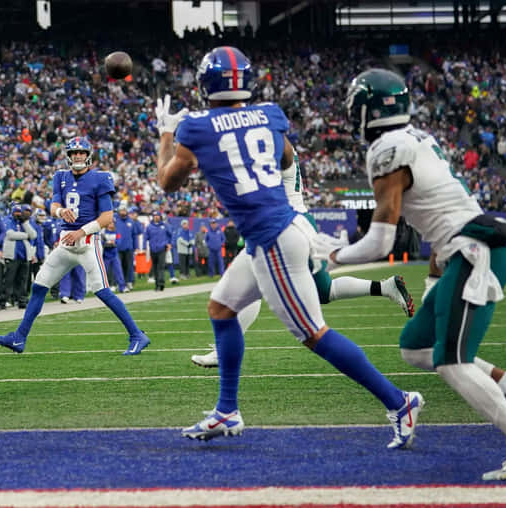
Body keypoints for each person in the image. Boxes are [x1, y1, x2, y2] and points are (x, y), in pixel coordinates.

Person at [156, 48, 420, 447]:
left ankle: (399, 402)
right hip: (280, 227)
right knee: (222, 308)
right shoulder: (269, 115)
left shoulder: (195, 127)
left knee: (314, 334)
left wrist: (165, 133)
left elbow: (166, 182)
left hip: (272, 239)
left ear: (204, 84)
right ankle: (226, 410)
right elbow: (284, 160)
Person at [330, 68, 506, 480]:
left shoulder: (387, 149)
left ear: (366, 111)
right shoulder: (417, 139)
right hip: (465, 251)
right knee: (415, 348)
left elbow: (380, 242)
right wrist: (435, 277)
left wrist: (332, 256)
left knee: (452, 363)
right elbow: (438, 216)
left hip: (472, 253)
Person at [190, 147, 416, 368]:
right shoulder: (271, 147)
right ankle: (385, 287)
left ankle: (224, 351)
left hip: (284, 227)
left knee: (253, 291)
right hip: (293, 224)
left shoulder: (273, 149)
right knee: (324, 292)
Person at [0, 137, 151, 355]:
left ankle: (137, 335)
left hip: (87, 243)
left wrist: (81, 231)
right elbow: (54, 205)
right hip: (66, 243)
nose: (77, 156)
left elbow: (107, 217)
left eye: (81, 152)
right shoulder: (61, 176)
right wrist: (60, 211)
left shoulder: (100, 178)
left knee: (102, 290)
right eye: (74, 152)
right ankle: (19, 338)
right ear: (68, 156)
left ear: (88, 155)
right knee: (39, 286)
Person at [1, 204, 37, 309]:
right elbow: (10, 235)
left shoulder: (24, 223)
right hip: (12, 255)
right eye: (16, 212)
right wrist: (25, 236)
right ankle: (4, 300)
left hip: (24, 255)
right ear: (12, 212)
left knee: (23, 280)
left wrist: (25, 223)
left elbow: (33, 235)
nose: (18, 214)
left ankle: (22, 300)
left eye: (20, 212)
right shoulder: (8, 221)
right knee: (8, 279)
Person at [145, 211, 169, 291]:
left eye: (157, 215)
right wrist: (144, 247)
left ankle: (161, 283)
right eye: (155, 216)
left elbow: (170, 235)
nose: (156, 217)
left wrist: (169, 243)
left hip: (162, 248)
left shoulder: (164, 226)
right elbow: (145, 237)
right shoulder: (149, 227)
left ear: (160, 217)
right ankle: (157, 284)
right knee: (155, 267)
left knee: (161, 266)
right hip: (153, 249)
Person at [114, 205, 136, 292]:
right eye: (121, 210)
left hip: (129, 248)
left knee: (128, 266)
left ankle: (128, 282)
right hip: (118, 248)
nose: (123, 212)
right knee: (118, 267)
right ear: (119, 211)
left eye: (124, 210)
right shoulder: (115, 221)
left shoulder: (131, 221)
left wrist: (136, 247)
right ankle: (119, 283)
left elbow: (134, 235)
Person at [102, 221, 127, 292]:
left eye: (112, 223)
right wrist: (109, 243)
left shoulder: (117, 232)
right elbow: (102, 243)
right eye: (110, 223)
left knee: (118, 271)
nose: (111, 224)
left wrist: (113, 243)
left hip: (114, 255)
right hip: (106, 255)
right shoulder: (103, 233)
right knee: (104, 272)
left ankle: (122, 287)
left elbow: (119, 242)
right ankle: (105, 287)